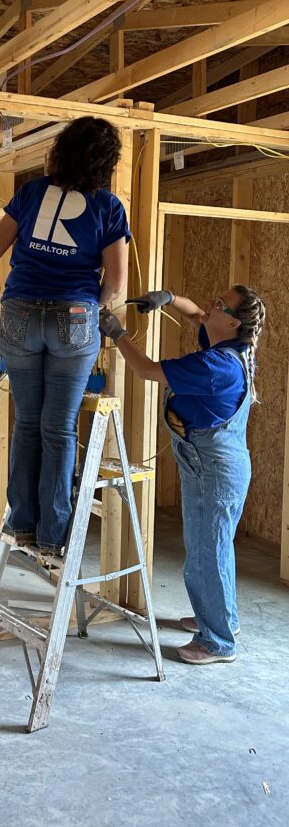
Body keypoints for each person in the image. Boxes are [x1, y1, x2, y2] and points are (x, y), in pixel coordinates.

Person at [0, 116, 129, 554]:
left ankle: (22, 523)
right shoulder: (109, 206)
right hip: (74, 316)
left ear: (62, 149)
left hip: (20, 313)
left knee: (28, 423)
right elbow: (115, 283)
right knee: (58, 428)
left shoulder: (32, 193)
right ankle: (52, 535)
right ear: (105, 161)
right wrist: (84, 307)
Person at [99, 283, 266, 664]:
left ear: (234, 322)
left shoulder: (215, 366)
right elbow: (196, 314)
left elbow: (145, 370)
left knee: (208, 554)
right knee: (212, 549)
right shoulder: (234, 349)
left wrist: (117, 333)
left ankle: (217, 642)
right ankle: (222, 619)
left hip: (214, 472)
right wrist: (169, 298)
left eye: (220, 304)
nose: (211, 306)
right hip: (213, 466)